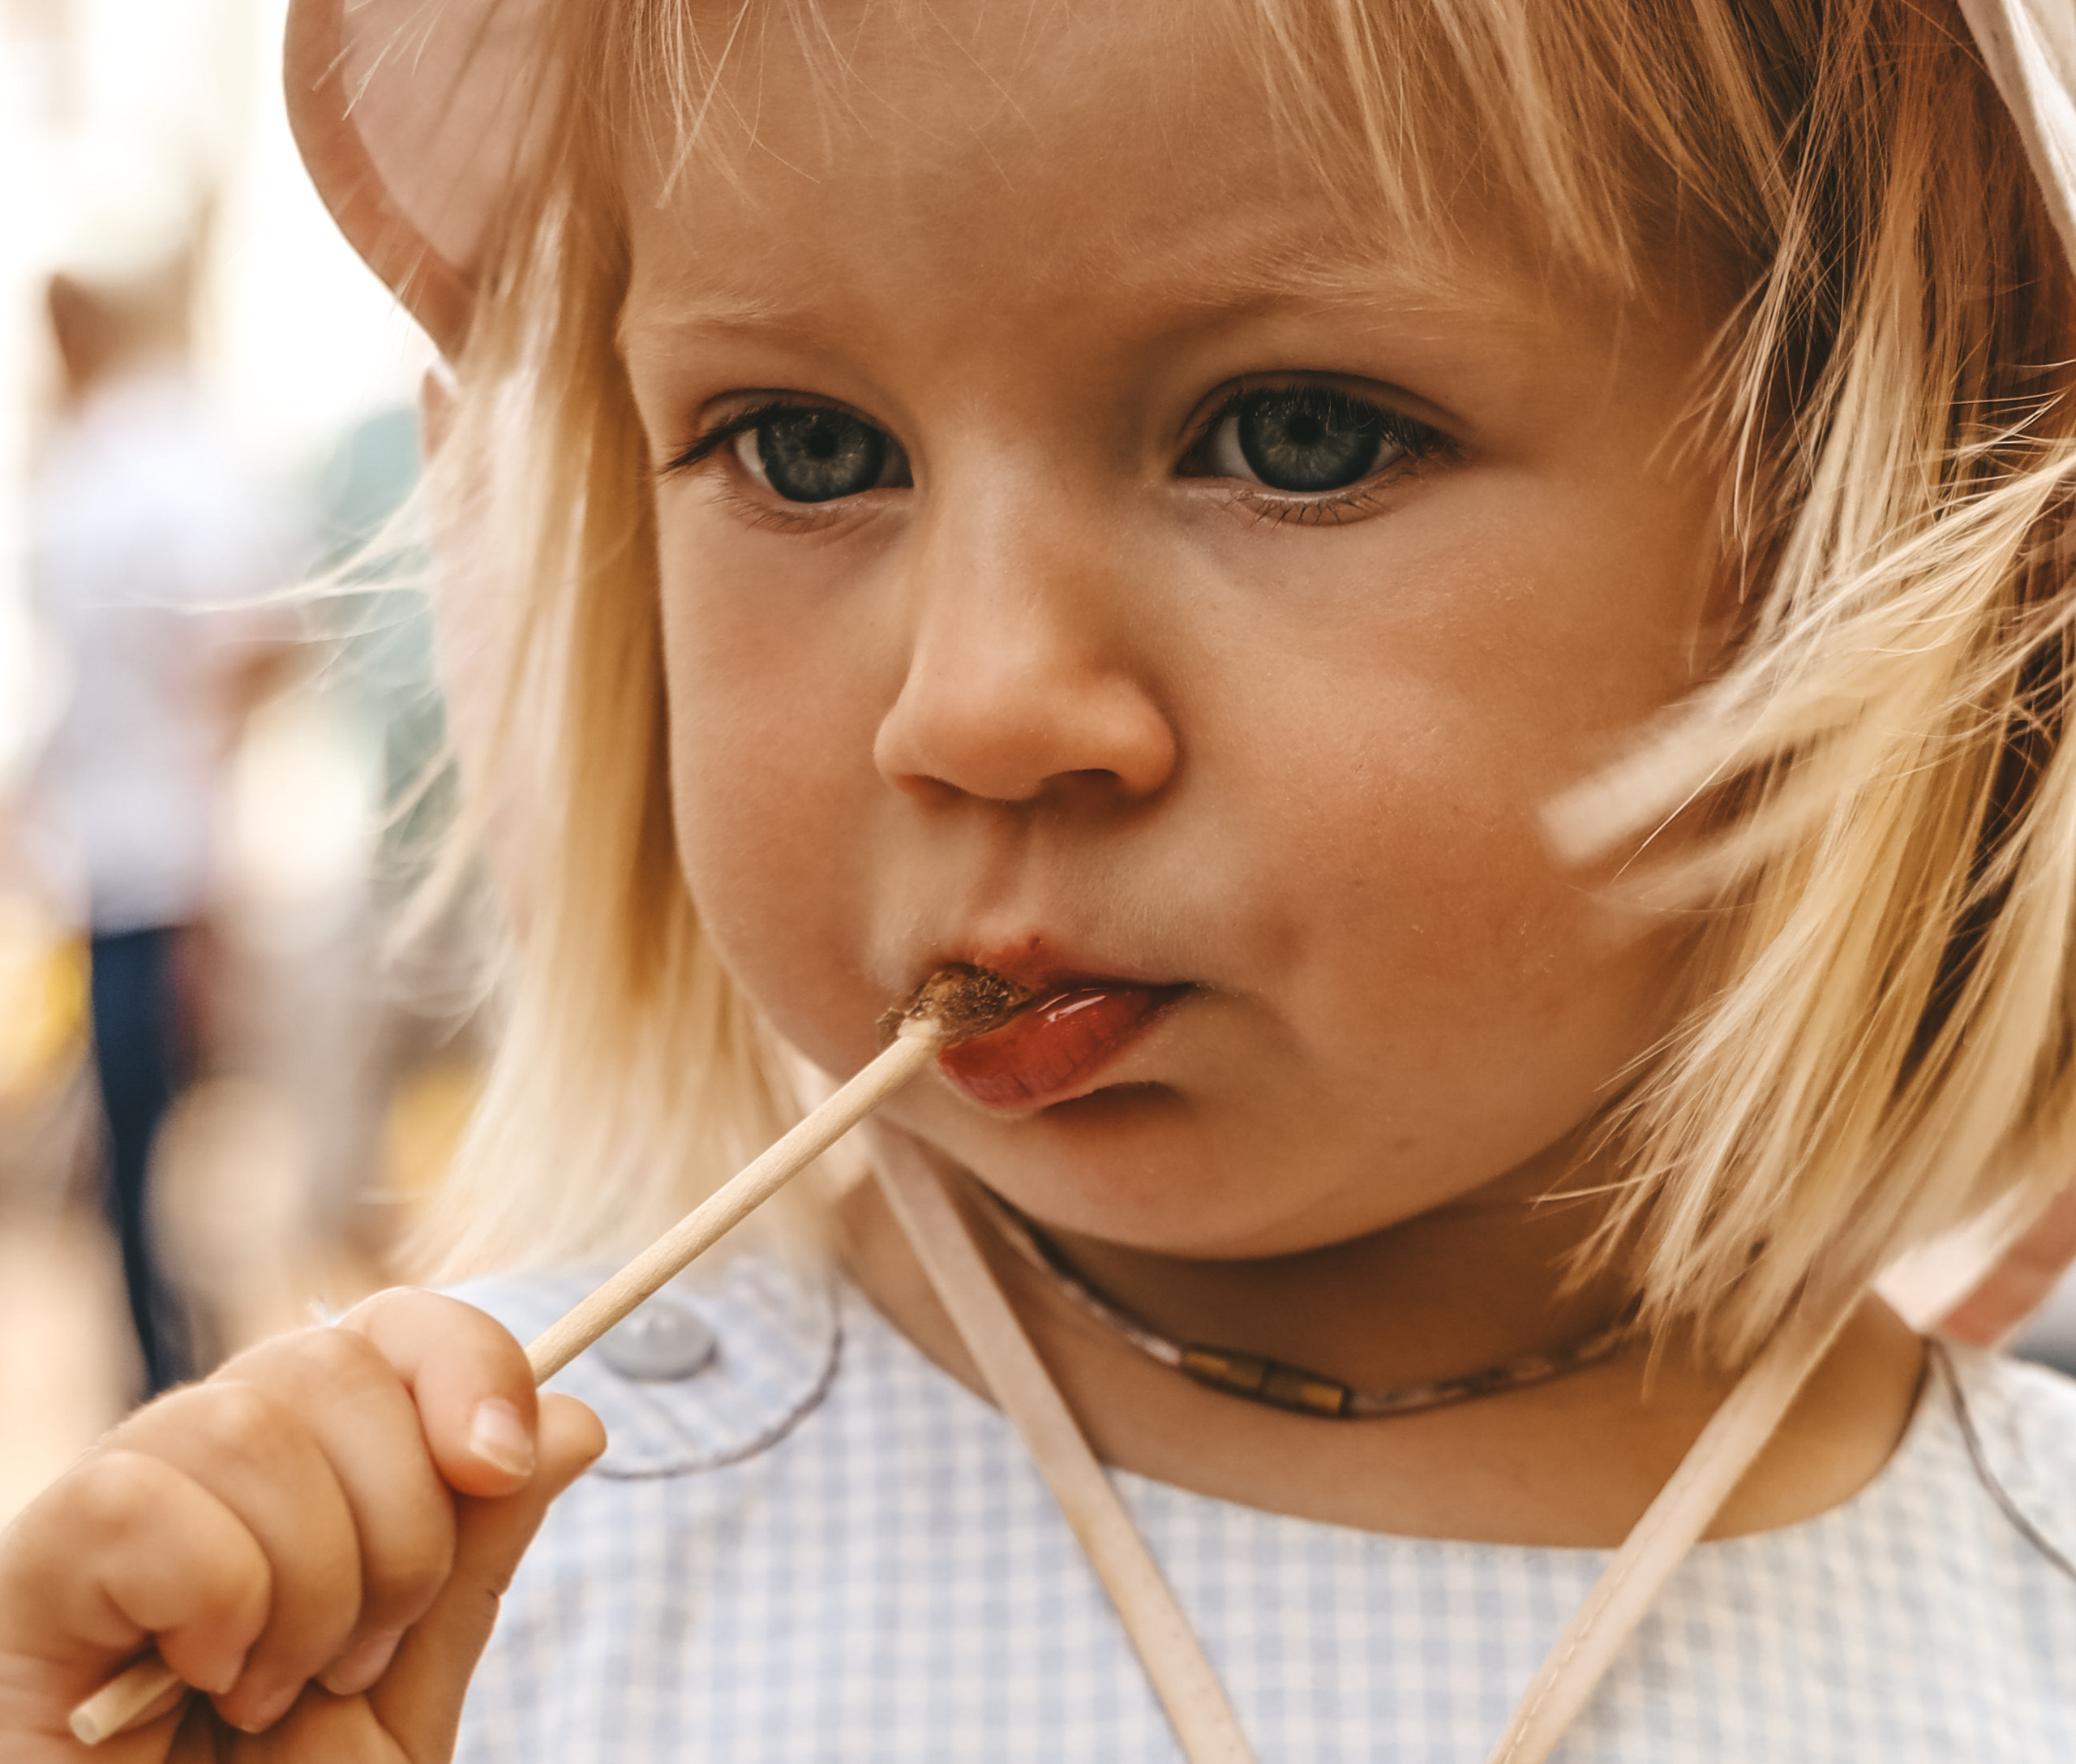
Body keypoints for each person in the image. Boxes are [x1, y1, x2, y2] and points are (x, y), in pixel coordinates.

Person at [4, 0, 2075, 1758]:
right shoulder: (472, 1592)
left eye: (1290, 433)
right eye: (807, 452)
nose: (977, 706)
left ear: (1874, 503)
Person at [26, 250, 294, 1397]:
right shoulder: (143, 456)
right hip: (142, 852)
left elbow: (258, 635)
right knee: (152, 1139)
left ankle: (181, 1372)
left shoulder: (132, 463)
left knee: (167, 1142)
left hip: (154, 856)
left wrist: (195, 761)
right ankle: (174, 1367)